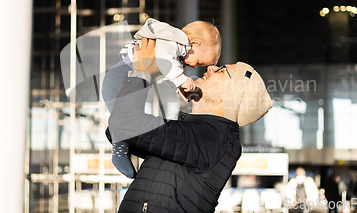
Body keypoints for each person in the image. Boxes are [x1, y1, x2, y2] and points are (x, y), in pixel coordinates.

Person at [107, 38, 273, 212]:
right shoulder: (199, 133)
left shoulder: (213, 138)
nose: (212, 67)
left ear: (229, 98)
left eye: (222, 71)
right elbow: (116, 128)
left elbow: (124, 123)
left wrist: (142, 73)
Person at [102, 18, 222, 178]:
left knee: (124, 119)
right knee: (123, 120)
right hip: (119, 78)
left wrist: (179, 86)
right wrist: (182, 80)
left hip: (126, 78)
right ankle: (119, 150)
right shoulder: (173, 41)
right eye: (198, 62)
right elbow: (164, 62)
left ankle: (122, 148)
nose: (194, 67)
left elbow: (165, 73)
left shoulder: (178, 57)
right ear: (194, 43)